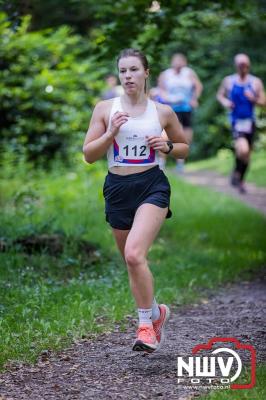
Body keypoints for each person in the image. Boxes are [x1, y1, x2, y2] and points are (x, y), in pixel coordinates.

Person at [83, 48, 189, 353]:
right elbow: (89, 155)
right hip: (117, 188)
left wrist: (167, 145)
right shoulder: (105, 108)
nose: (128, 76)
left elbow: (184, 147)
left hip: (152, 186)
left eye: (133, 70)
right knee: (132, 262)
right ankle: (157, 314)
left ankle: (145, 327)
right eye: (123, 71)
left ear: (146, 73)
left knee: (133, 254)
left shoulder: (162, 112)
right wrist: (111, 133)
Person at [217, 53, 266, 193]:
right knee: (242, 150)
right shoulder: (229, 81)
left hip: (250, 121)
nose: (243, 67)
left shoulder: (255, 82)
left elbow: (263, 102)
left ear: (249, 66)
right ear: (236, 66)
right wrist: (226, 102)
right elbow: (220, 95)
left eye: (245, 65)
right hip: (236, 121)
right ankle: (238, 177)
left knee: (246, 155)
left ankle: (239, 177)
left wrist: (254, 99)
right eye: (240, 65)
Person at [157, 53, 202, 172]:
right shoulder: (166, 74)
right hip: (170, 108)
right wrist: (167, 99)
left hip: (186, 108)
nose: (178, 63)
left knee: (185, 135)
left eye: (181, 61)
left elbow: (198, 86)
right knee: (165, 135)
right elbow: (160, 90)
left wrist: (194, 98)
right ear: (172, 62)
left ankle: (180, 162)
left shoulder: (189, 72)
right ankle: (161, 163)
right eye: (176, 61)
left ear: (185, 62)